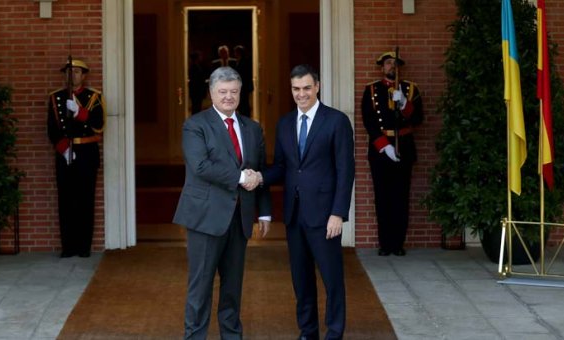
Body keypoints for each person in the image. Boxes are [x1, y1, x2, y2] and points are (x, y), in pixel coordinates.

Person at [173, 66, 272, 339]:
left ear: (241, 93)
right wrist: (241, 176)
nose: (228, 97)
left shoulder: (252, 128)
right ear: (212, 93)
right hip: (205, 219)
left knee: (232, 289)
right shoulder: (195, 125)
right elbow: (201, 166)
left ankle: (231, 336)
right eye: (223, 92)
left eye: (234, 92)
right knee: (200, 288)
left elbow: (259, 170)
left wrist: (264, 213)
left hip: (239, 219)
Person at [259, 64, 355, 339]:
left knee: (331, 278)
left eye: (306, 88)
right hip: (294, 214)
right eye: (296, 89)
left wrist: (338, 213)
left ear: (317, 87)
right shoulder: (285, 123)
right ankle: (308, 331)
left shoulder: (336, 121)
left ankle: (334, 332)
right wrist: (259, 177)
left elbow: (345, 170)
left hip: (325, 216)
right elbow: (281, 167)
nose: (301, 94)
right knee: (301, 280)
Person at [360, 51, 423, 257]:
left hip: (403, 146)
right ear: (382, 68)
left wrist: (404, 103)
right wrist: (384, 145)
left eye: (395, 64)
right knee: (383, 197)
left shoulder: (410, 89)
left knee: (400, 197)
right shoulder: (371, 90)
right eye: (388, 63)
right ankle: (385, 243)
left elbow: (419, 119)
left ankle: (398, 243)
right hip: (380, 150)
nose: (391, 67)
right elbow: (368, 120)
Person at [47, 59, 106, 258]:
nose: (73, 75)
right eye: (69, 72)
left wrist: (79, 112)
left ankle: (83, 247)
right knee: (66, 200)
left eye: (77, 72)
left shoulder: (94, 97)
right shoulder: (55, 98)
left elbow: (99, 125)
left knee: (85, 200)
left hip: (87, 153)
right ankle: (68, 247)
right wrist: (64, 149)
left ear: (84, 75)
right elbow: (52, 129)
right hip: (65, 154)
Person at [233, 45, 253, 117]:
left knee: (244, 103)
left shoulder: (244, 61)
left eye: (235, 52)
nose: (234, 54)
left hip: (243, 86)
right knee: (242, 103)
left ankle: (245, 117)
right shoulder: (239, 61)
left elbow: (245, 74)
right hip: (241, 86)